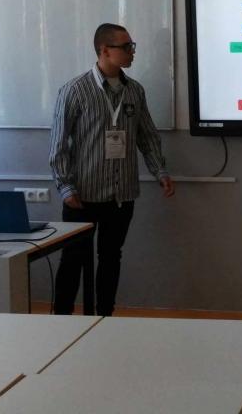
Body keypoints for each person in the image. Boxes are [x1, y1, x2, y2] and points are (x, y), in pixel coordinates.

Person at [49, 23, 174, 316]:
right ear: (104, 50)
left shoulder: (135, 91)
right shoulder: (75, 90)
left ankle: (105, 318)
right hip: (82, 195)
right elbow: (58, 144)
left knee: (110, 258)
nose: (132, 52)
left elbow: (147, 136)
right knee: (73, 258)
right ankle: (60, 320)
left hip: (121, 194)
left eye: (132, 46)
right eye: (126, 46)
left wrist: (160, 171)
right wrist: (65, 187)